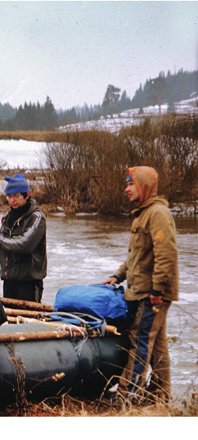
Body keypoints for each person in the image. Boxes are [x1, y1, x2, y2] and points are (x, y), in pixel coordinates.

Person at [102, 166, 178, 402]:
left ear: (144, 186)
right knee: (157, 345)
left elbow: (166, 253)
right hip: (143, 290)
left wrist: (157, 289)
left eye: (130, 184)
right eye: (126, 184)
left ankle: (128, 395)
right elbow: (136, 255)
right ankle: (160, 395)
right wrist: (118, 276)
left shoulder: (157, 214)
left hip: (150, 293)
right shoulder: (143, 213)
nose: (126, 189)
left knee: (141, 341)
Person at [0, 173, 47, 303]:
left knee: (29, 321)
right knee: (11, 320)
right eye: (10, 196)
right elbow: (3, 240)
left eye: (16, 196)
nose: (12, 200)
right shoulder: (8, 218)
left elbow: (25, 244)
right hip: (9, 280)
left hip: (29, 282)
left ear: (26, 195)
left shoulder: (37, 218)